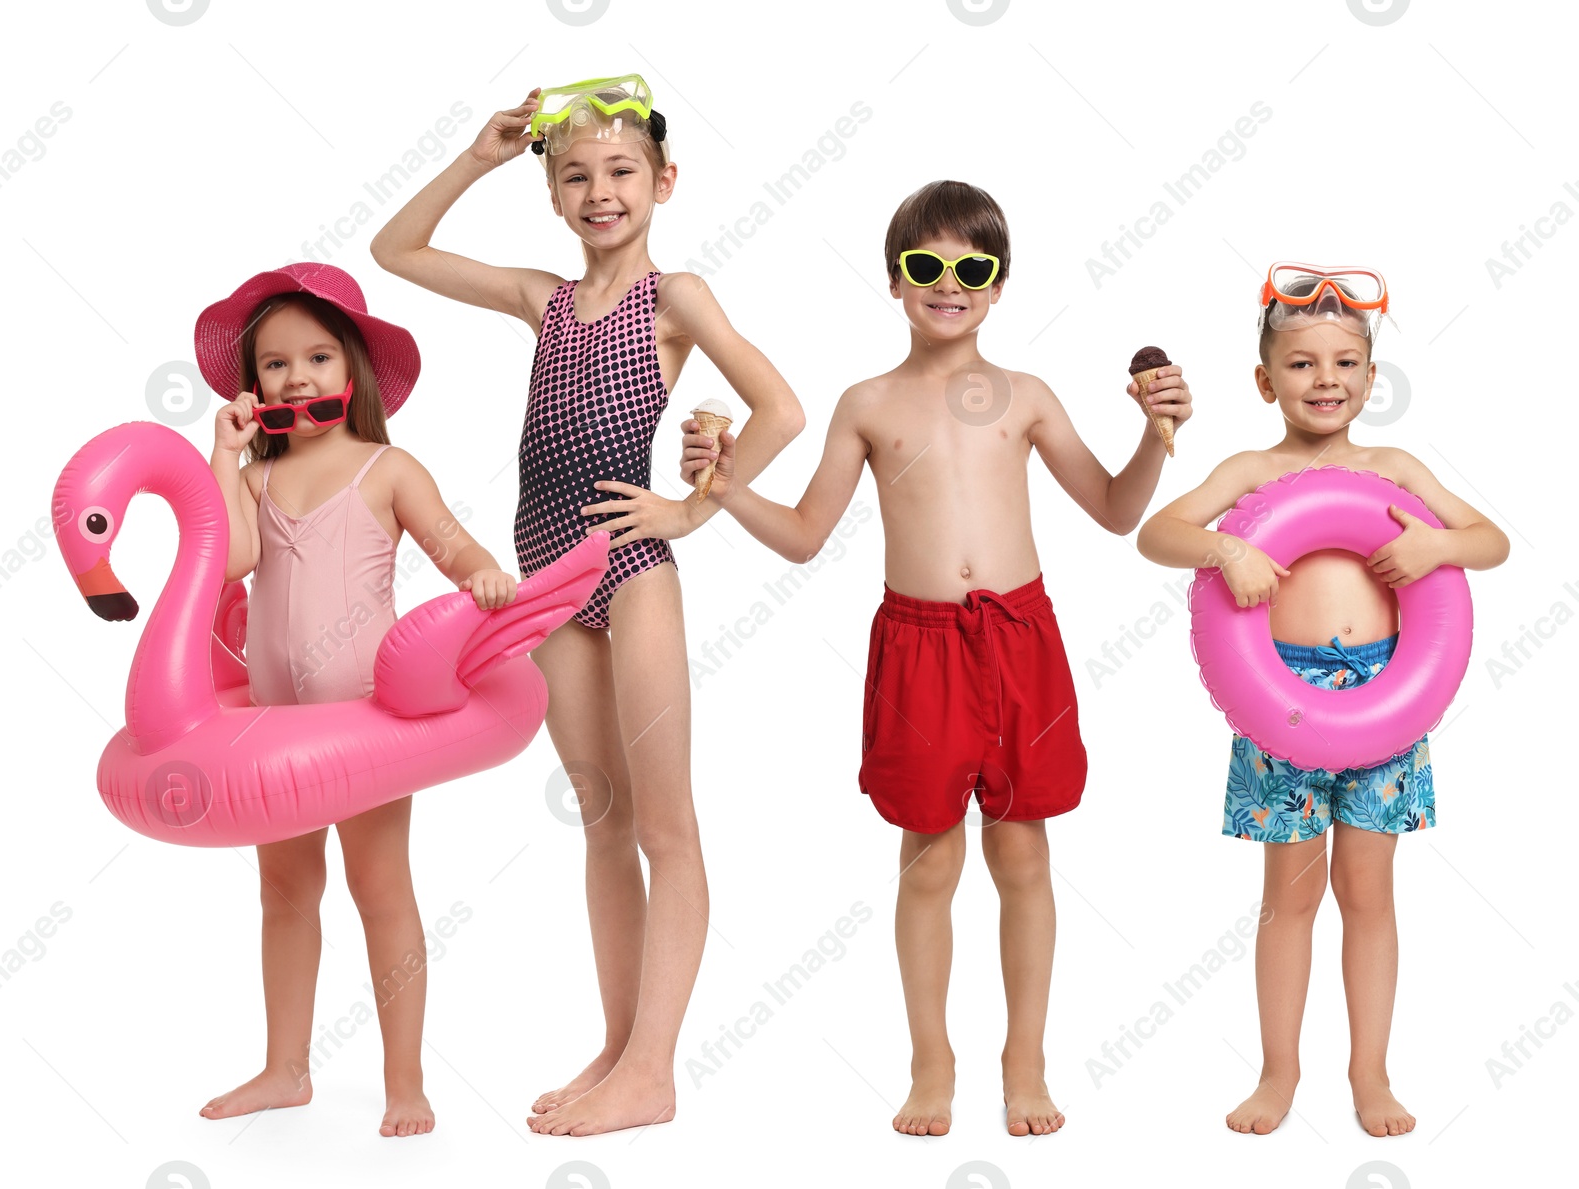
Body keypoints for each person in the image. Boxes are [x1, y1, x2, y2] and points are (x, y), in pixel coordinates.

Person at [677, 180, 1191, 1135]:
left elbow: (1118, 513)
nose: (947, 284)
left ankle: (1025, 1060)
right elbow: (801, 534)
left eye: (971, 269)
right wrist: (721, 486)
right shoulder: (867, 403)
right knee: (926, 861)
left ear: (998, 287)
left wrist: (1154, 439)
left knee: (1025, 854)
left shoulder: (1028, 397)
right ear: (894, 280)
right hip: (918, 647)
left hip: (1021, 640)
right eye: (927, 267)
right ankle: (931, 1061)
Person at [370, 75, 805, 1135]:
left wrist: (691, 511)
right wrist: (479, 154)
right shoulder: (542, 300)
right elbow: (397, 252)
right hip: (546, 573)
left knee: (666, 821)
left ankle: (652, 1068)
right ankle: (618, 1048)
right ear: (554, 197)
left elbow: (782, 407)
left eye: (620, 172)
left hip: (632, 567)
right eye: (576, 177)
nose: (599, 192)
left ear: (662, 181)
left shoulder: (675, 298)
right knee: (601, 818)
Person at [1136, 263, 1509, 1136]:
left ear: (1372, 380)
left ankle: (1370, 1074)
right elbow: (1160, 531)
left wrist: (1436, 548)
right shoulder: (1252, 469)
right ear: (1266, 381)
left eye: (1345, 363)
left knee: (1369, 893)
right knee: (1290, 897)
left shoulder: (1394, 467)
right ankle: (1278, 1073)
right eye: (1302, 365)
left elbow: (1491, 541)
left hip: (1384, 697)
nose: (1326, 380)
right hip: (1281, 703)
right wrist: (1225, 552)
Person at [197, 262, 519, 1137]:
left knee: (381, 889)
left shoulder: (386, 467)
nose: (296, 377)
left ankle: (405, 1080)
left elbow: (455, 546)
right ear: (251, 383)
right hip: (273, 729)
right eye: (273, 364)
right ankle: (284, 1067)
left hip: (368, 726)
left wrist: (484, 574)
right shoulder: (257, 477)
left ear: (353, 371)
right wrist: (224, 454)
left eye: (317, 357)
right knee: (284, 890)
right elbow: (224, 561)